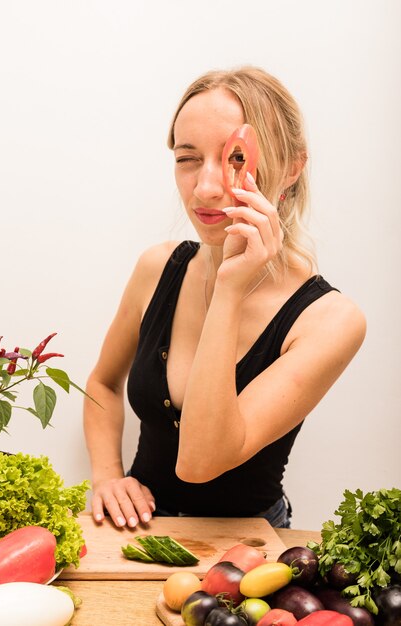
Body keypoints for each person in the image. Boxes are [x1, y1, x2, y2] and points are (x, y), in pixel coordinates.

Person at [83, 66, 366, 529]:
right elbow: (102, 384)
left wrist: (230, 288)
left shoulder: (330, 321)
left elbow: (200, 462)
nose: (207, 187)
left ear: (293, 167)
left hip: (247, 550)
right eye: (187, 158)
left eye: (235, 158)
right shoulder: (157, 268)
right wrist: (107, 477)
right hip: (139, 528)